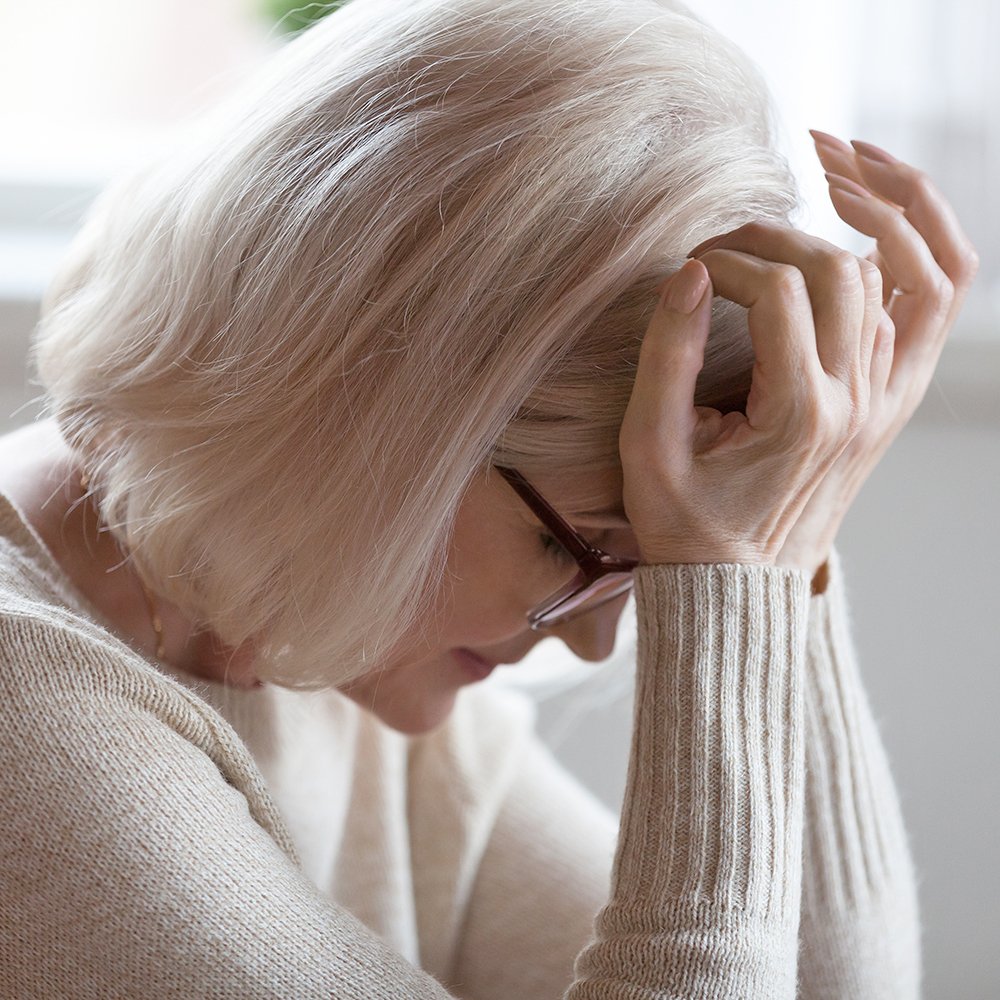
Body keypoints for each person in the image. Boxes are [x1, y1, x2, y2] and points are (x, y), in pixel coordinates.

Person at [0, 0, 979, 995]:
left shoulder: (310, 617)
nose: (593, 642)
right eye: (579, 549)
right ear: (377, 422)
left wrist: (787, 530)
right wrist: (726, 570)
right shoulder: (23, 710)